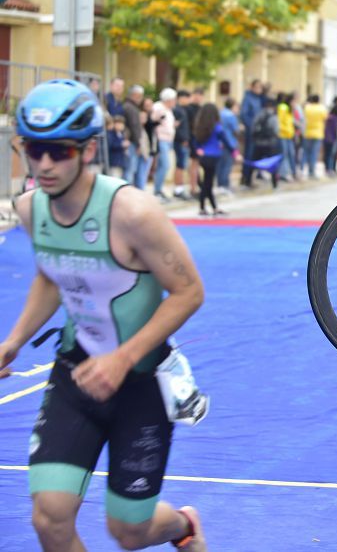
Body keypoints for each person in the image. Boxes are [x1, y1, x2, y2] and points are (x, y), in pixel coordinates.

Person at [0, 79, 207, 551]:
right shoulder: (31, 208)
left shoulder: (133, 212)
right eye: (34, 149)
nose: (45, 164)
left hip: (140, 381)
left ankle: (183, 526)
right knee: (49, 519)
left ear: (89, 148)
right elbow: (52, 276)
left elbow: (189, 291)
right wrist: (13, 341)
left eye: (60, 150)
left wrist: (121, 358)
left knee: (128, 532)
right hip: (76, 374)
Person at [192, 103, 236, 217]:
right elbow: (226, 141)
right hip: (214, 156)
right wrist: (234, 152)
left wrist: (198, 149)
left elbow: (195, 141)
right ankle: (211, 207)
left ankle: (206, 207)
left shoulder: (199, 127)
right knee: (208, 183)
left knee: (206, 182)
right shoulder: (217, 128)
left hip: (203, 156)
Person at [248, 98, 282, 189]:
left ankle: (248, 180)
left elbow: (253, 128)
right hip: (270, 143)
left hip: (258, 143)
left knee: (254, 162)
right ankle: (274, 183)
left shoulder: (259, 115)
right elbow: (276, 130)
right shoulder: (274, 117)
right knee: (273, 164)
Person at [150, 88, 177, 201]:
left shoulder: (168, 109)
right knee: (164, 165)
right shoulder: (158, 107)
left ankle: (159, 189)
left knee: (164, 165)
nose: (175, 102)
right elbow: (153, 121)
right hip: (161, 139)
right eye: (173, 99)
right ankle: (157, 190)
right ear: (168, 99)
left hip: (168, 140)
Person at [239, 79, 264, 187]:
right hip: (251, 131)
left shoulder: (258, 99)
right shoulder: (248, 99)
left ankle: (251, 177)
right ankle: (246, 177)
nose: (259, 89)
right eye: (257, 87)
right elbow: (244, 115)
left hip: (258, 131)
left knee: (255, 155)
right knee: (249, 154)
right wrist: (252, 127)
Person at [216, 97, 240, 193]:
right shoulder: (230, 116)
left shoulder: (220, 113)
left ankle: (220, 184)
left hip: (219, 142)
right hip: (229, 142)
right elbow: (235, 130)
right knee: (227, 165)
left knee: (220, 165)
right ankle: (225, 184)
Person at [172, 90, 193, 200]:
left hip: (183, 141)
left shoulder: (183, 110)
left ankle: (180, 187)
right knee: (180, 165)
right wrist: (183, 139)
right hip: (179, 141)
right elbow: (176, 127)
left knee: (182, 164)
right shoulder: (176, 110)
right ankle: (178, 188)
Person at [122, 85, 144, 187]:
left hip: (131, 142)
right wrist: (139, 144)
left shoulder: (129, 107)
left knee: (130, 169)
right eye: (140, 96)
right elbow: (134, 126)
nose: (141, 99)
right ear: (135, 95)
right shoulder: (130, 108)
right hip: (131, 143)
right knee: (130, 169)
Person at [303, 95, 327, 179]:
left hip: (307, 133)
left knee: (306, 152)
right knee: (314, 153)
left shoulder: (307, 108)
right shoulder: (321, 108)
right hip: (318, 133)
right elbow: (325, 119)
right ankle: (312, 172)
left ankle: (303, 170)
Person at [276, 93, 296, 181]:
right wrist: (286, 130)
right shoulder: (283, 108)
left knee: (291, 154)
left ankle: (291, 172)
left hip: (288, 135)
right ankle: (283, 173)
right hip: (283, 134)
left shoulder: (289, 109)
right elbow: (280, 122)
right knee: (284, 155)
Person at [106, 115, 129, 179]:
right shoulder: (110, 133)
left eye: (122, 124)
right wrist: (121, 144)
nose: (121, 125)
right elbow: (111, 145)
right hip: (113, 162)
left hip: (120, 162)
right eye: (118, 123)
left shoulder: (121, 134)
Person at [323, 99, 337, 176]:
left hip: (326, 138)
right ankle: (331, 169)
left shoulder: (328, 117)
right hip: (333, 139)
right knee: (332, 155)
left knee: (327, 154)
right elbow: (335, 129)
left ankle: (327, 169)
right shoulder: (335, 119)